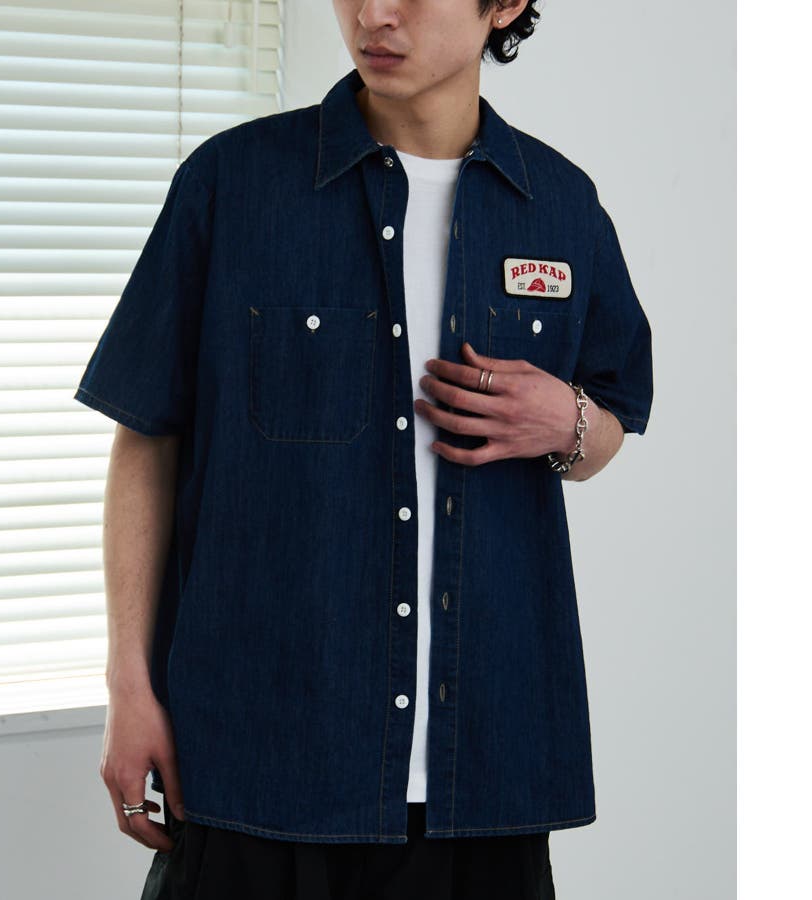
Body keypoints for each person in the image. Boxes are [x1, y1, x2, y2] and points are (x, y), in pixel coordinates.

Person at [75, 1, 653, 897]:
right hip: (260, 765)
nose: (374, 14)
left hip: (482, 782)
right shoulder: (232, 184)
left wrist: (567, 421)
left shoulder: (561, 206)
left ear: (504, 5)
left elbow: (606, 427)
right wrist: (128, 687)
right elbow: (146, 436)